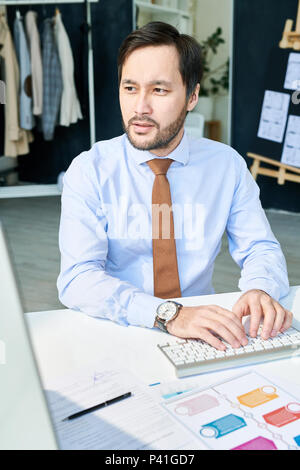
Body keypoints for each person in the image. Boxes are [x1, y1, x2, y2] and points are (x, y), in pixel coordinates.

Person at [57, 22, 292, 351]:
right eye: (130, 88)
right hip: (117, 328)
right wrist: (166, 314)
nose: (140, 107)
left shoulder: (226, 166)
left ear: (192, 96)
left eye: (159, 90)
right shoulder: (90, 169)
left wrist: (260, 289)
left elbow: (260, 249)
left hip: (201, 334)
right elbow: (78, 278)